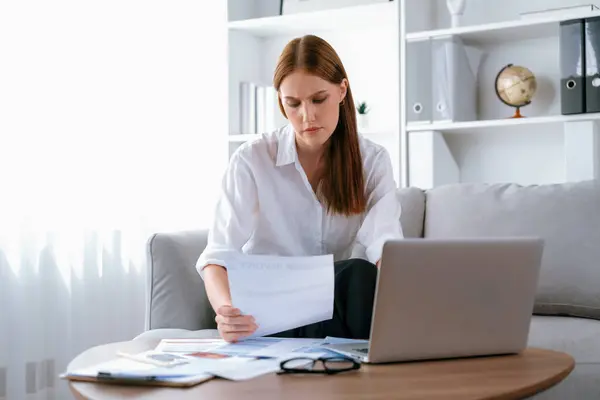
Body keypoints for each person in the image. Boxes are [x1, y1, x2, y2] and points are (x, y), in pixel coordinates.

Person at [196, 34, 403, 343]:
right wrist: (227, 313)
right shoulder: (252, 159)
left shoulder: (371, 161)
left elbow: (385, 245)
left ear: (342, 91)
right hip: (267, 312)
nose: (307, 116)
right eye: (292, 104)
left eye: (319, 99)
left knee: (361, 277)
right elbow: (217, 255)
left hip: (330, 311)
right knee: (355, 280)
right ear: (281, 101)